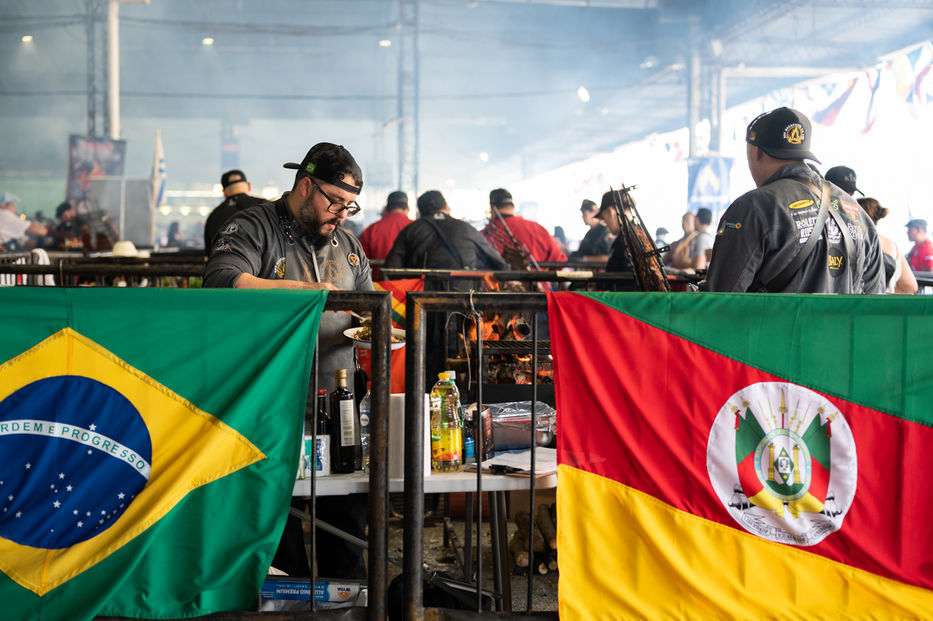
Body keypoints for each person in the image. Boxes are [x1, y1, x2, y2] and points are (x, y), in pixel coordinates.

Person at [204, 142, 372, 579]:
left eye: (350, 206)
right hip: (271, 403)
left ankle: (349, 607)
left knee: (347, 533)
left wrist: (382, 326)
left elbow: (370, 310)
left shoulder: (349, 246)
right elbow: (221, 281)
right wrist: (313, 296)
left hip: (340, 405)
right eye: (334, 201)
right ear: (305, 185)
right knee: (276, 541)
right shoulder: (253, 226)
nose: (341, 214)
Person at [707, 107, 884, 294]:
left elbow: (721, 300)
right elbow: (874, 301)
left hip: (773, 323)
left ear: (756, 152)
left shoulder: (752, 208)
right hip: (842, 324)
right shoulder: (855, 211)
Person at [384, 190, 509, 278]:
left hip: (420, 304)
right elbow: (499, 264)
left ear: (421, 212)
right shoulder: (466, 229)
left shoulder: (410, 230)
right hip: (463, 304)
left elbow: (391, 269)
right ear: (446, 206)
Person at [482, 188, 566, 267]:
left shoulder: (485, 235)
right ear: (512, 207)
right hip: (536, 281)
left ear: (492, 208)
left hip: (495, 282)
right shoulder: (537, 229)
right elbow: (560, 261)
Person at [858, 197, 917, 294]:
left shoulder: (857, 242)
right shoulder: (892, 246)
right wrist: (886, 295)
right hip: (884, 305)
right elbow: (911, 287)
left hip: (856, 305)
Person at [203, 169, 267, 254]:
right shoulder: (265, 206)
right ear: (249, 186)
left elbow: (209, 253)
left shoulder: (213, 216)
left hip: (224, 265)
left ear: (224, 193)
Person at [359, 190, 412, 262]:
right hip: (413, 273)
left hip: (378, 273)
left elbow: (362, 262)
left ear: (386, 209)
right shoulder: (417, 228)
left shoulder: (371, 229)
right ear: (408, 209)